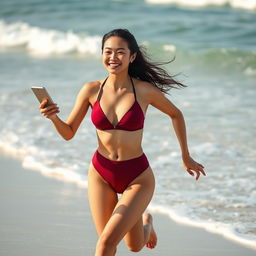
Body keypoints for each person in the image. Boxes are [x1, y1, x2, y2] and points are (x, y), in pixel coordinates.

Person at [39, 28, 206, 256]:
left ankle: (147, 221)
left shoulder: (145, 91)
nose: (113, 57)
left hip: (137, 176)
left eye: (120, 52)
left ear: (132, 56)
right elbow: (68, 133)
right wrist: (53, 117)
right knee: (122, 244)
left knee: (110, 245)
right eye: (108, 52)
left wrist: (185, 156)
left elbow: (176, 114)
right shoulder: (91, 90)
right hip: (100, 173)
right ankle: (145, 222)